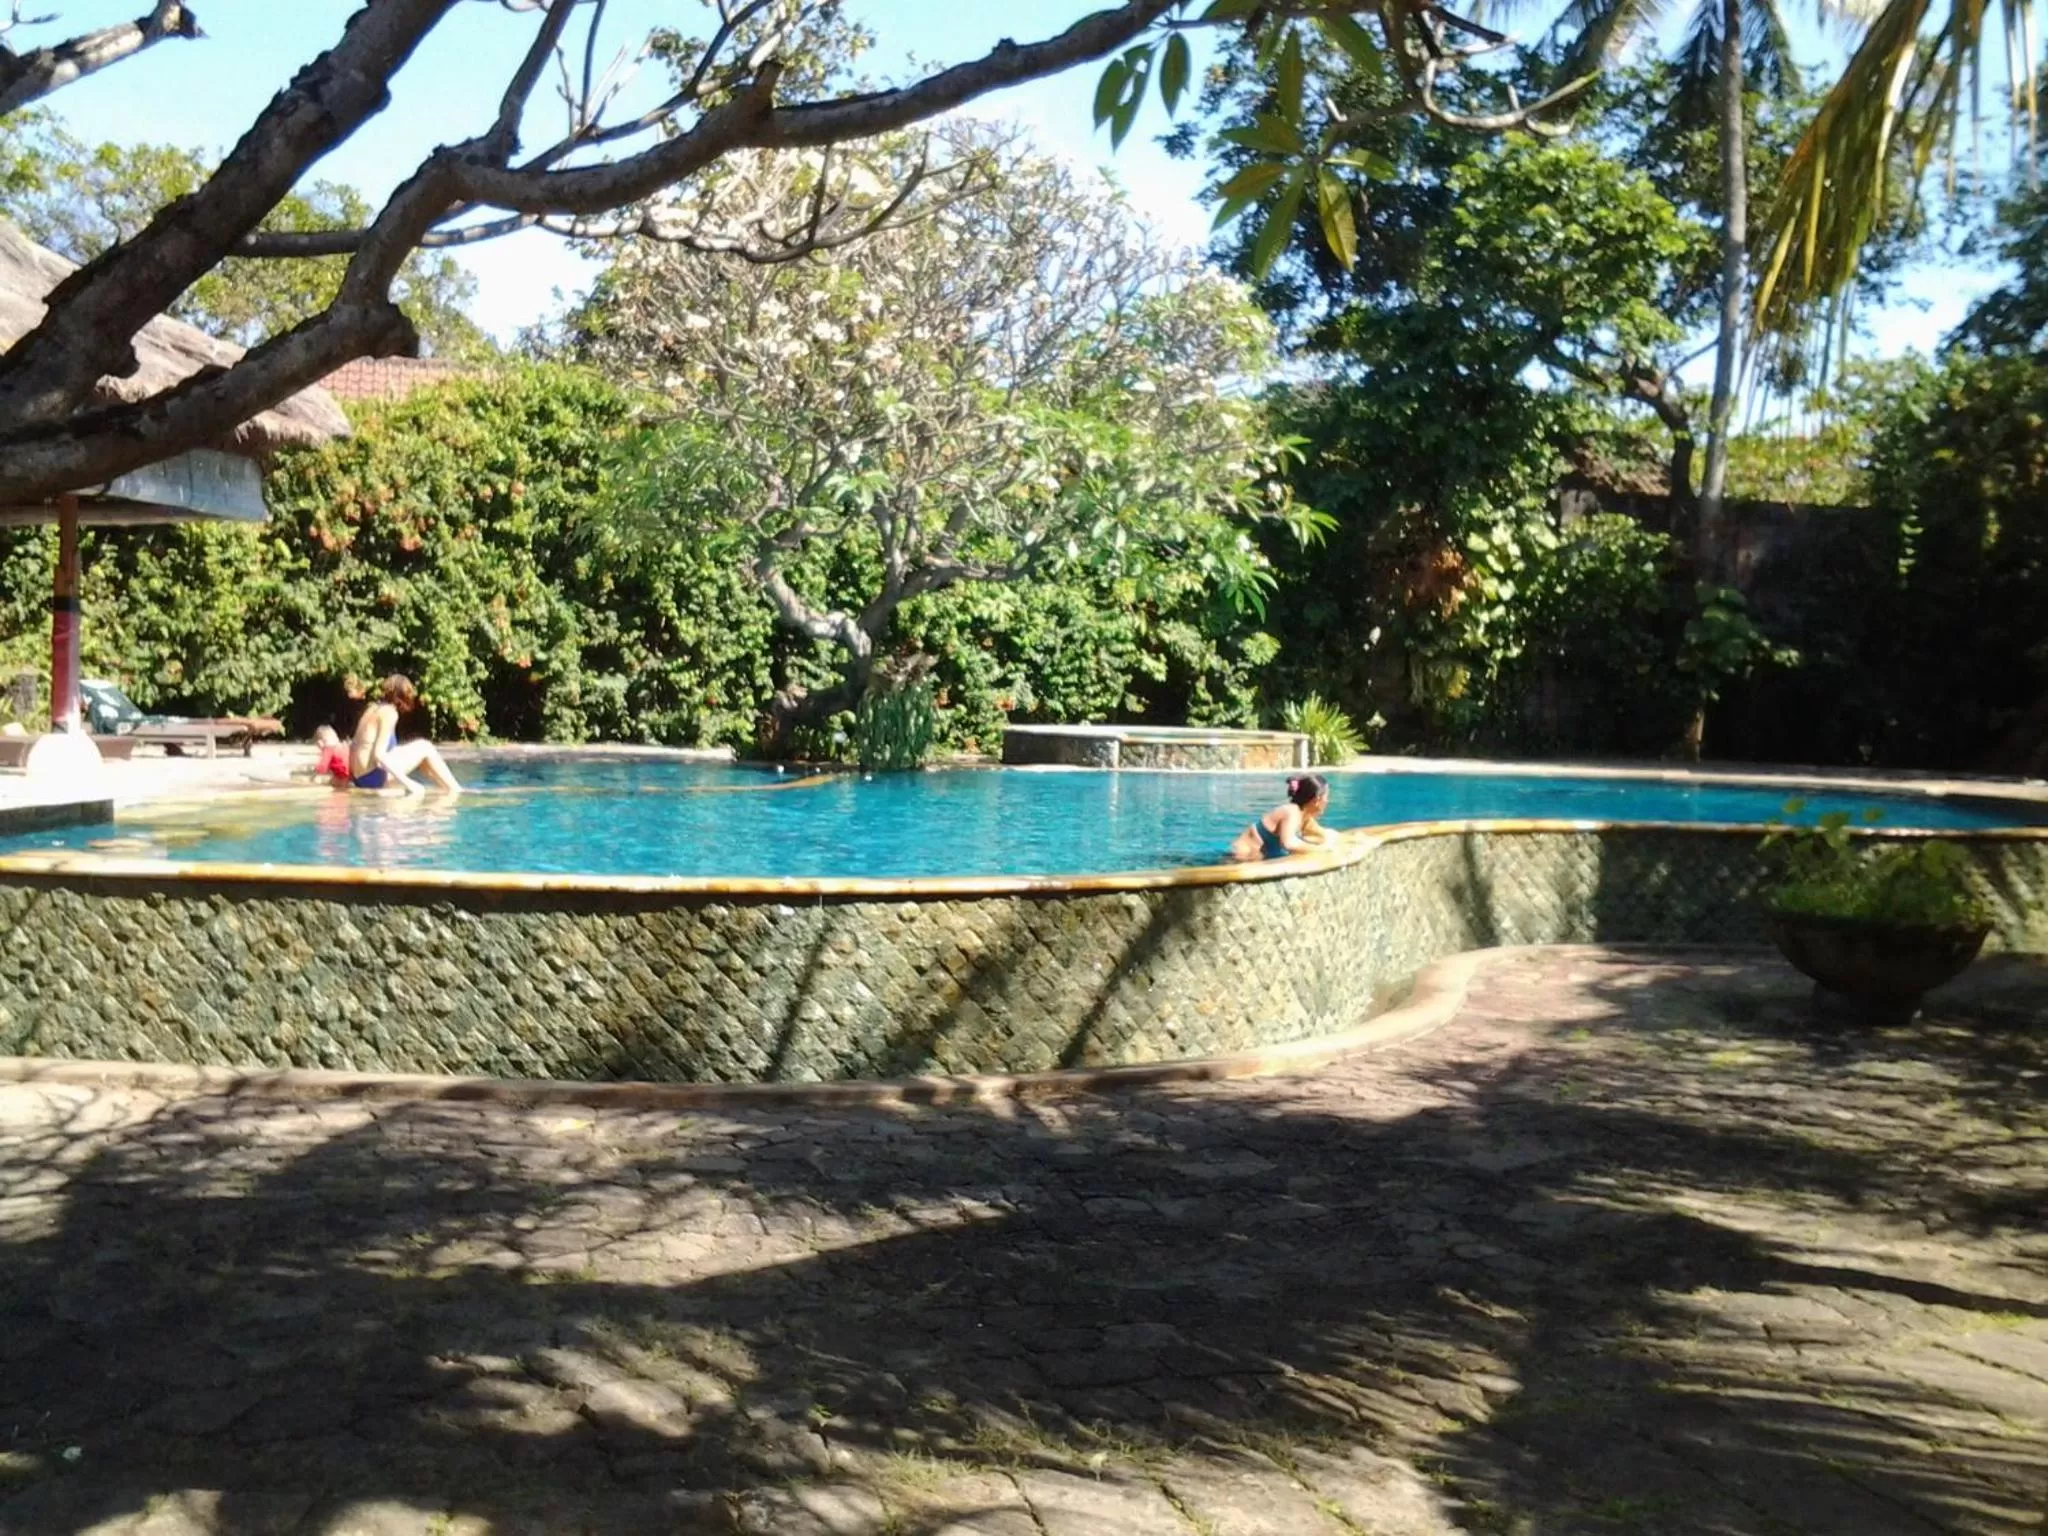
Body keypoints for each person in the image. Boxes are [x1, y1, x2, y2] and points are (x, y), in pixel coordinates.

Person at [349, 674, 462, 794]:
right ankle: (456, 789)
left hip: (360, 778)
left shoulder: (372, 708)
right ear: (401, 696)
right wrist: (409, 783)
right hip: (372, 779)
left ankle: (446, 788)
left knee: (421, 755)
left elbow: (356, 745)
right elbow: (379, 755)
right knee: (426, 747)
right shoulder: (389, 713)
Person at [1230, 774, 1333, 861]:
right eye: (1327, 797)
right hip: (1241, 856)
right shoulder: (1291, 811)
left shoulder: (1304, 818)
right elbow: (1289, 843)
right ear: (1316, 800)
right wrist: (1320, 850)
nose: (1327, 801)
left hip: (1255, 858)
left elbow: (1323, 834)